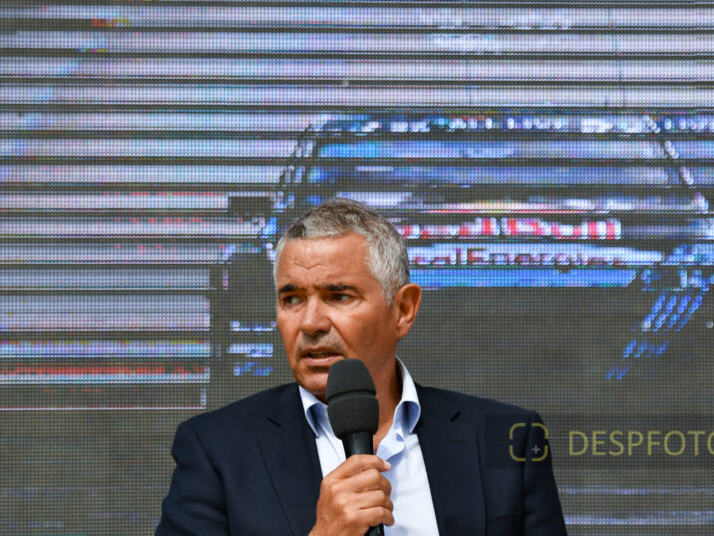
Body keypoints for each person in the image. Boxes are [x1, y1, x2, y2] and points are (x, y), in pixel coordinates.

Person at [156, 198, 567, 536]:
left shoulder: (509, 439)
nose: (310, 323)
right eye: (292, 299)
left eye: (338, 296)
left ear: (403, 310)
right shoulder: (216, 449)